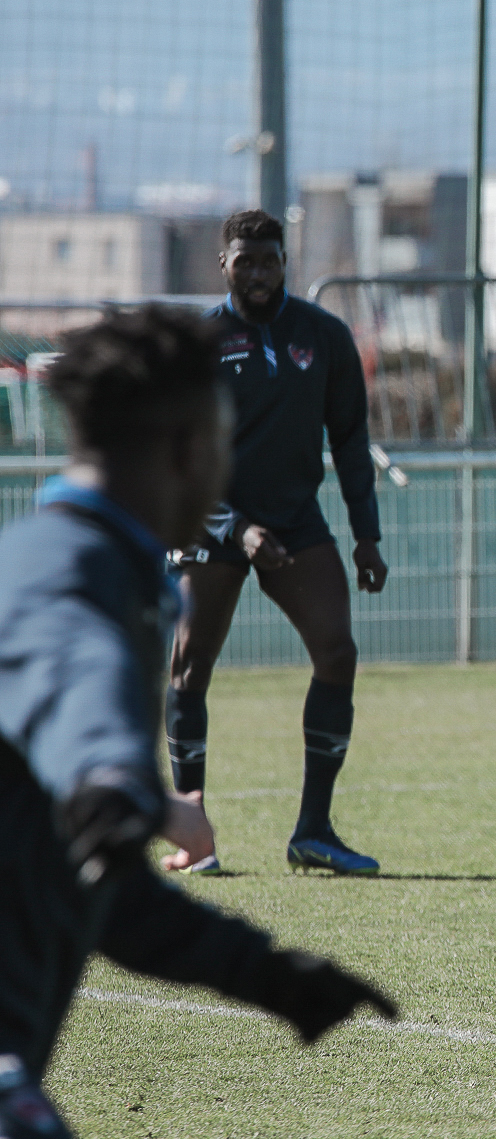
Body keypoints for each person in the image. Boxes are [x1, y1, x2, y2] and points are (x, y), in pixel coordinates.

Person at [0, 305, 396, 1139]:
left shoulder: (85, 560)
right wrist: (114, 779)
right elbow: (76, 680)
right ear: (187, 450)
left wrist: (268, 975)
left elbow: (105, 895)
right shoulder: (70, 576)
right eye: (225, 441)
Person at [165, 208, 388, 876]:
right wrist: (236, 528)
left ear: (285, 263)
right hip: (212, 523)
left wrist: (367, 536)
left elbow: (350, 440)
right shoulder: (199, 343)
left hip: (294, 522)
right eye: (245, 261)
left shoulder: (323, 336)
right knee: (189, 666)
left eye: (270, 261)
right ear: (224, 264)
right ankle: (193, 837)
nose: (258, 273)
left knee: (338, 652)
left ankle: (313, 831)